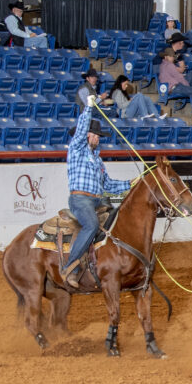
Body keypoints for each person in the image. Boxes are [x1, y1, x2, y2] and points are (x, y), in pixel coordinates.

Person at [59, 102, 134, 289]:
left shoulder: (98, 160)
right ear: (87, 135)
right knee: (91, 224)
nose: (98, 139)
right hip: (80, 199)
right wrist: (88, 108)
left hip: (97, 200)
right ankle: (70, 267)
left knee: (117, 220)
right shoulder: (76, 149)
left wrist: (130, 184)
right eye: (96, 135)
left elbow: (108, 185)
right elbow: (80, 132)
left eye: (99, 136)